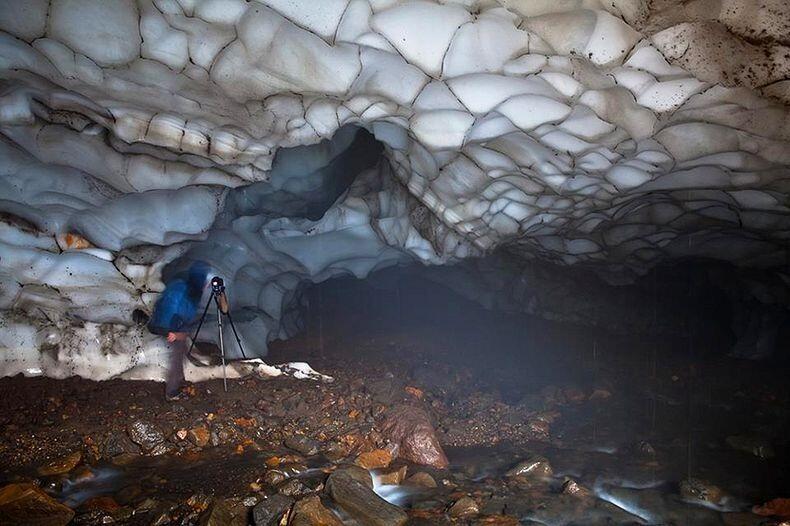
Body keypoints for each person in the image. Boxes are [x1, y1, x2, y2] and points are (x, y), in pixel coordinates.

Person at [148, 261, 210, 400]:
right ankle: (172, 392)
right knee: (177, 357)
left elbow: (164, 304)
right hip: (172, 326)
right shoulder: (188, 290)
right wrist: (173, 331)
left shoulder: (181, 284)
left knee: (181, 350)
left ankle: (179, 379)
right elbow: (178, 311)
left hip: (167, 323)